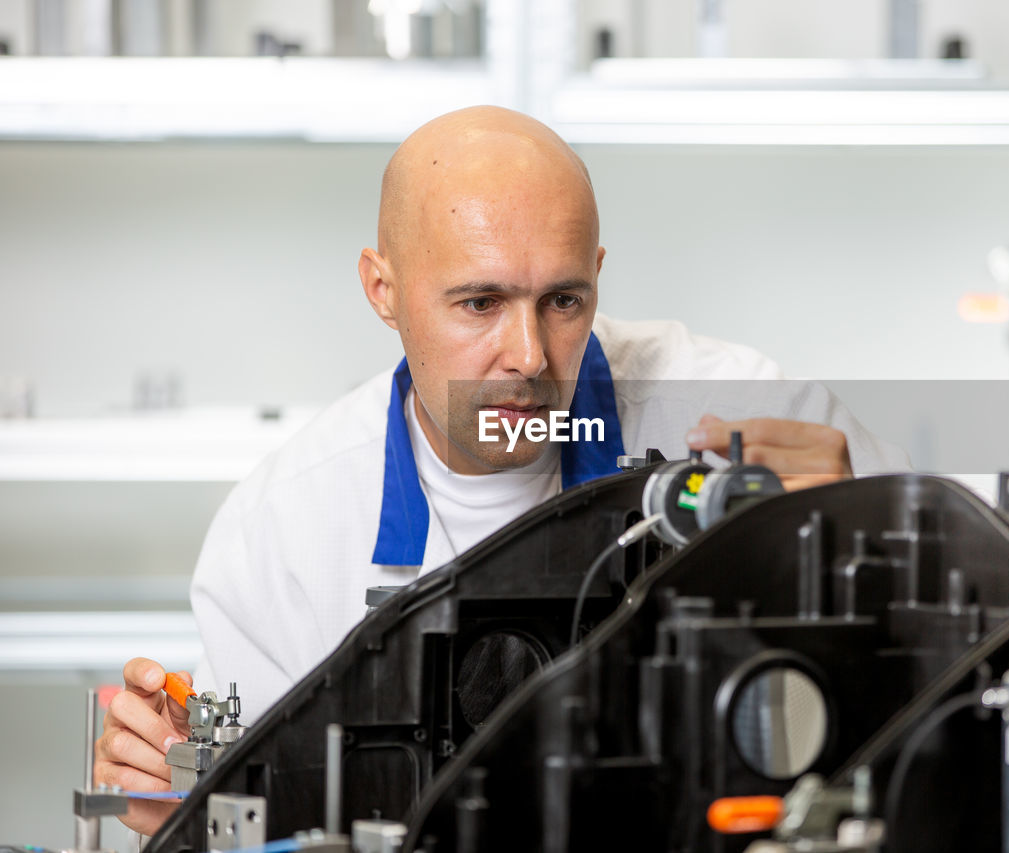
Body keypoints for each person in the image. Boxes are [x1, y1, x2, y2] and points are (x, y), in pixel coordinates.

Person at [93, 106, 908, 835]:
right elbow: (258, 812)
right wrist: (188, 802)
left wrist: (864, 561)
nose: (528, 356)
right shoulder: (286, 530)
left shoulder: (754, 421)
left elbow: (944, 699)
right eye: (480, 303)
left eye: (563, 300)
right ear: (384, 288)